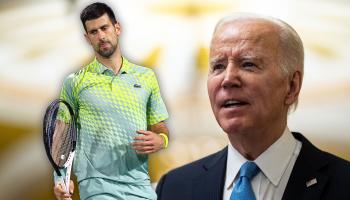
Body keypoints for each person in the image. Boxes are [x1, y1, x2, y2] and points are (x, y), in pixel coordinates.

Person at [156, 13, 350, 200]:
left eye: (248, 64)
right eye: (218, 67)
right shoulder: (174, 187)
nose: (228, 79)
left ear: (292, 86)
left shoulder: (344, 184)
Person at [53, 2, 169, 200]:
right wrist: (60, 178)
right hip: (97, 189)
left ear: (117, 28)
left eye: (104, 28)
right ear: (87, 38)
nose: (101, 36)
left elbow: (160, 128)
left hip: (141, 187)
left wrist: (161, 140)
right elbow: (62, 136)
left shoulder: (146, 77)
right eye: (93, 32)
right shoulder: (75, 82)